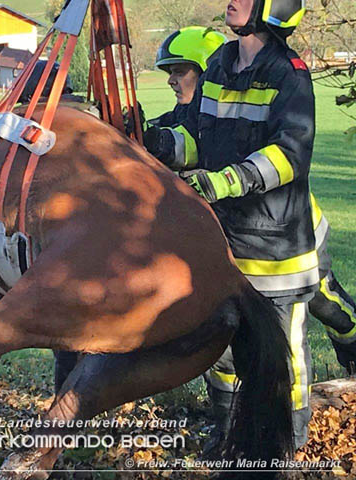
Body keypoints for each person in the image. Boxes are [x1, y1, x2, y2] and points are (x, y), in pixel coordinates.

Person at [143, 0, 316, 450]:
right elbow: (198, 139)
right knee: (220, 350)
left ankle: (287, 449)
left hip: (276, 250)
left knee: (284, 358)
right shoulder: (219, 63)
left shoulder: (289, 74)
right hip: (223, 244)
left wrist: (227, 181)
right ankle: (228, 437)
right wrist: (154, 142)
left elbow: (290, 156)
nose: (230, 2)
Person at [151, 27, 356, 375]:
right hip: (237, 243)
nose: (171, 80)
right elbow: (168, 141)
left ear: (206, 70)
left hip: (296, 236)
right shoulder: (181, 117)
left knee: (328, 306)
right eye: (169, 72)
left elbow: (283, 156)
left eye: (179, 71)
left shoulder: (242, 106)